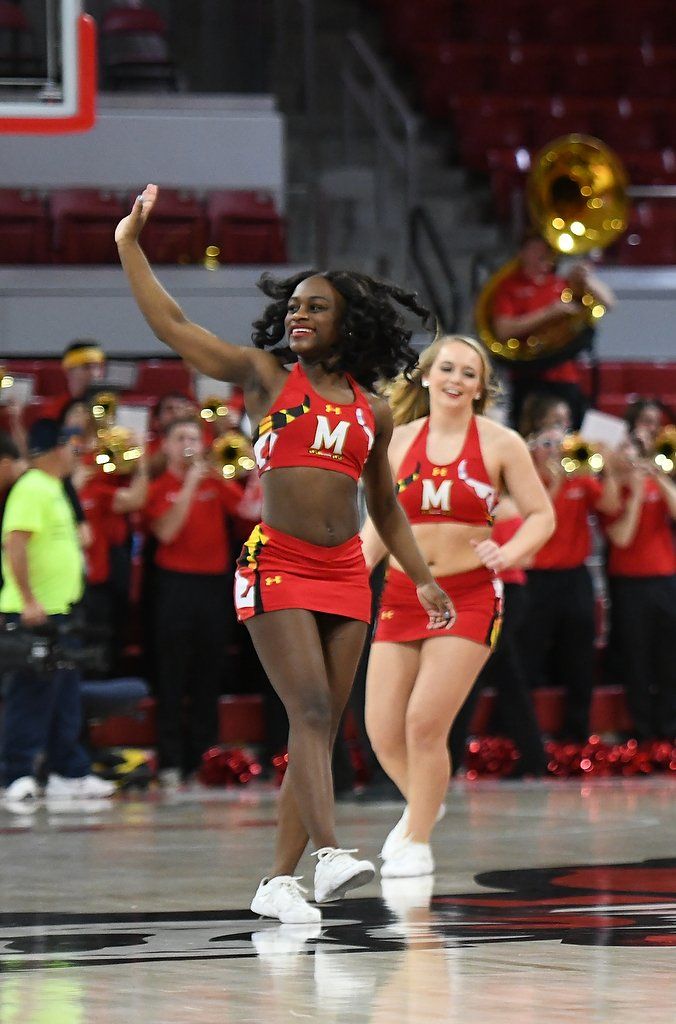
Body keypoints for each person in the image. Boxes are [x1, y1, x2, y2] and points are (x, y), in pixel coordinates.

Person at [116, 183, 454, 924]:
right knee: (306, 707)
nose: (299, 314)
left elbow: (387, 506)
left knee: (321, 727)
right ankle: (329, 854)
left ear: (348, 323)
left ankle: (276, 882)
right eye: (293, 305)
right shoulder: (266, 378)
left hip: (344, 576)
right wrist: (128, 244)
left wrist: (422, 580)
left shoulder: (371, 409)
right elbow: (174, 325)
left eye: (316, 306)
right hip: (278, 563)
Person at [360, 334, 555, 878]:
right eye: (447, 368)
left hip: (468, 594)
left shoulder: (501, 443)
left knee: (424, 724)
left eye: (469, 373)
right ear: (426, 376)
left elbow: (542, 516)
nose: (456, 379)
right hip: (403, 592)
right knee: (381, 730)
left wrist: (508, 552)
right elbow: (379, 526)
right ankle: (426, 800)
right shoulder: (396, 442)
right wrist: (344, 579)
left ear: (480, 387)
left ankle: (417, 840)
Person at [0, 419, 116, 803]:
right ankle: (14, 773)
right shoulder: (31, 488)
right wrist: (29, 599)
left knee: (64, 695)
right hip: (36, 614)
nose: (78, 454)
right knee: (30, 695)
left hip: (61, 613)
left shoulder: (54, 489)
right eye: (73, 446)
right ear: (55, 448)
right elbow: (15, 543)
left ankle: (68, 770)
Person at [145, 416, 246, 785]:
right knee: (172, 676)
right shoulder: (158, 487)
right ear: (167, 446)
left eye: (194, 437)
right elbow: (167, 531)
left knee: (208, 674)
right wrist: (190, 482)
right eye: (181, 438)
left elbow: (249, 511)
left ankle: (205, 758)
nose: (188, 444)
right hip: (174, 586)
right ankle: (171, 761)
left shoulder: (216, 482)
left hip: (213, 586)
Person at [520, 422, 620, 741]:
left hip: (575, 578)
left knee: (580, 657)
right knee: (529, 657)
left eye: (558, 445)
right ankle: (525, 737)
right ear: (533, 449)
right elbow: (536, 517)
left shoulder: (579, 476)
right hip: (536, 580)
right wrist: (556, 484)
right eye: (546, 444)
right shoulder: (527, 481)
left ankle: (576, 736)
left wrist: (608, 469)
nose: (554, 451)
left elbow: (610, 505)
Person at [449, 494, 549, 779]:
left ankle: (452, 756)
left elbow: (526, 557)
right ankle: (532, 756)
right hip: (494, 594)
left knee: (475, 677)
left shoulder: (502, 507)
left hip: (504, 595)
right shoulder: (496, 505)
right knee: (503, 678)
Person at [491, 234, 616, 429]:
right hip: (529, 376)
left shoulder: (562, 284)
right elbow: (503, 330)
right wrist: (549, 313)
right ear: (523, 253)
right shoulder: (509, 287)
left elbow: (609, 303)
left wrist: (587, 279)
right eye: (536, 249)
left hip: (565, 376)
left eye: (546, 249)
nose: (543, 254)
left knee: (571, 437)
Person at [600, 436, 676, 741]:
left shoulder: (657, 484)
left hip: (665, 581)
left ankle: (669, 731)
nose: (631, 461)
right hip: (629, 585)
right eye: (624, 455)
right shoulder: (612, 494)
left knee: (669, 659)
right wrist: (635, 498)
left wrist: (658, 478)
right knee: (637, 660)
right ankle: (644, 734)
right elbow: (622, 538)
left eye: (634, 455)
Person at [40, 339, 107, 421]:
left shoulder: (110, 408)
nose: (94, 374)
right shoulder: (53, 413)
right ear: (69, 371)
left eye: (98, 367)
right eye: (86, 367)